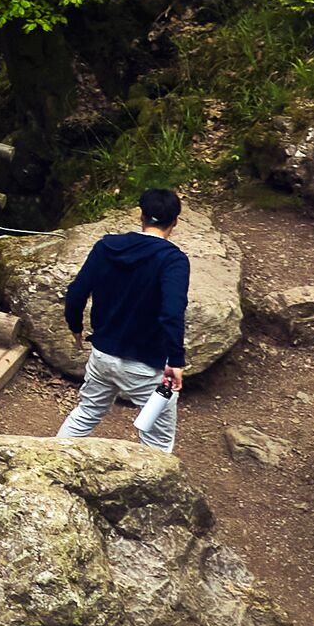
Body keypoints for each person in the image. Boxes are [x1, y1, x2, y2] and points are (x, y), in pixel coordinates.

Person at [56, 188, 192, 453]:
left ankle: (46, 461)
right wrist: (176, 360)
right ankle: (153, 493)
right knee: (157, 441)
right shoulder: (173, 260)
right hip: (147, 367)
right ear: (175, 222)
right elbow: (172, 312)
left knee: (85, 415)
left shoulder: (106, 246)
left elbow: (76, 292)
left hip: (102, 355)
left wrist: (75, 327)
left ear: (140, 215)